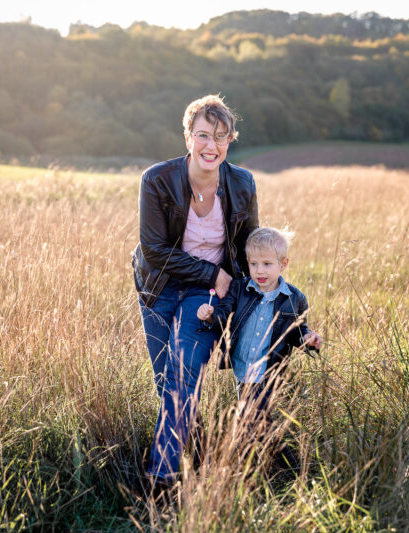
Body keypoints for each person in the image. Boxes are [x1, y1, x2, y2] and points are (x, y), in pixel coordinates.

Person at [132, 94, 258, 489]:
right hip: (159, 286)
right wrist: (210, 270)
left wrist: (261, 294)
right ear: (187, 138)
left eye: (220, 137)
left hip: (205, 297)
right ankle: (196, 453)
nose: (211, 145)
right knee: (166, 382)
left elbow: (247, 248)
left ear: (230, 140)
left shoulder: (242, 183)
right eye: (202, 135)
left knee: (182, 378)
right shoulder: (157, 180)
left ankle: (162, 481)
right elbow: (153, 250)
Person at [196, 227, 322, 450]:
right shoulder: (240, 288)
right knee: (256, 418)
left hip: (269, 369)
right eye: (253, 264)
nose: (259, 270)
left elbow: (297, 330)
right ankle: (274, 455)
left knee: (252, 416)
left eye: (267, 264)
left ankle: (249, 459)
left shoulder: (293, 299)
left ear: (283, 264)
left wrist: (308, 339)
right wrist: (211, 315)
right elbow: (225, 312)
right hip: (242, 367)